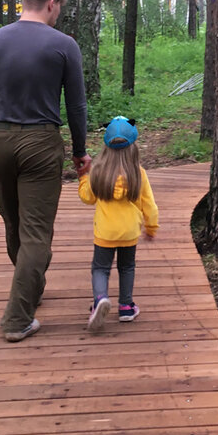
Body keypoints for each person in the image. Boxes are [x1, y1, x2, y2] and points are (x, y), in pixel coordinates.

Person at [0, 0, 90, 343]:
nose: (57, 16)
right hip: (40, 143)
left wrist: (5, 84)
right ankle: (17, 318)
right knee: (36, 233)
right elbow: (76, 105)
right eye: (58, 10)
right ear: (51, 3)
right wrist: (80, 151)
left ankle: (29, 288)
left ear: (24, 1)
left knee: (13, 221)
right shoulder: (64, 45)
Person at [78, 116, 159, 332]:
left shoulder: (98, 172)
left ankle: (100, 300)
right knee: (127, 267)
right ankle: (125, 307)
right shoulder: (138, 174)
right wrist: (151, 228)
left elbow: (87, 198)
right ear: (133, 148)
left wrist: (83, 177)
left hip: (105, 232)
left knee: (100, 268)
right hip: (129, 232)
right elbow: (150, 205)